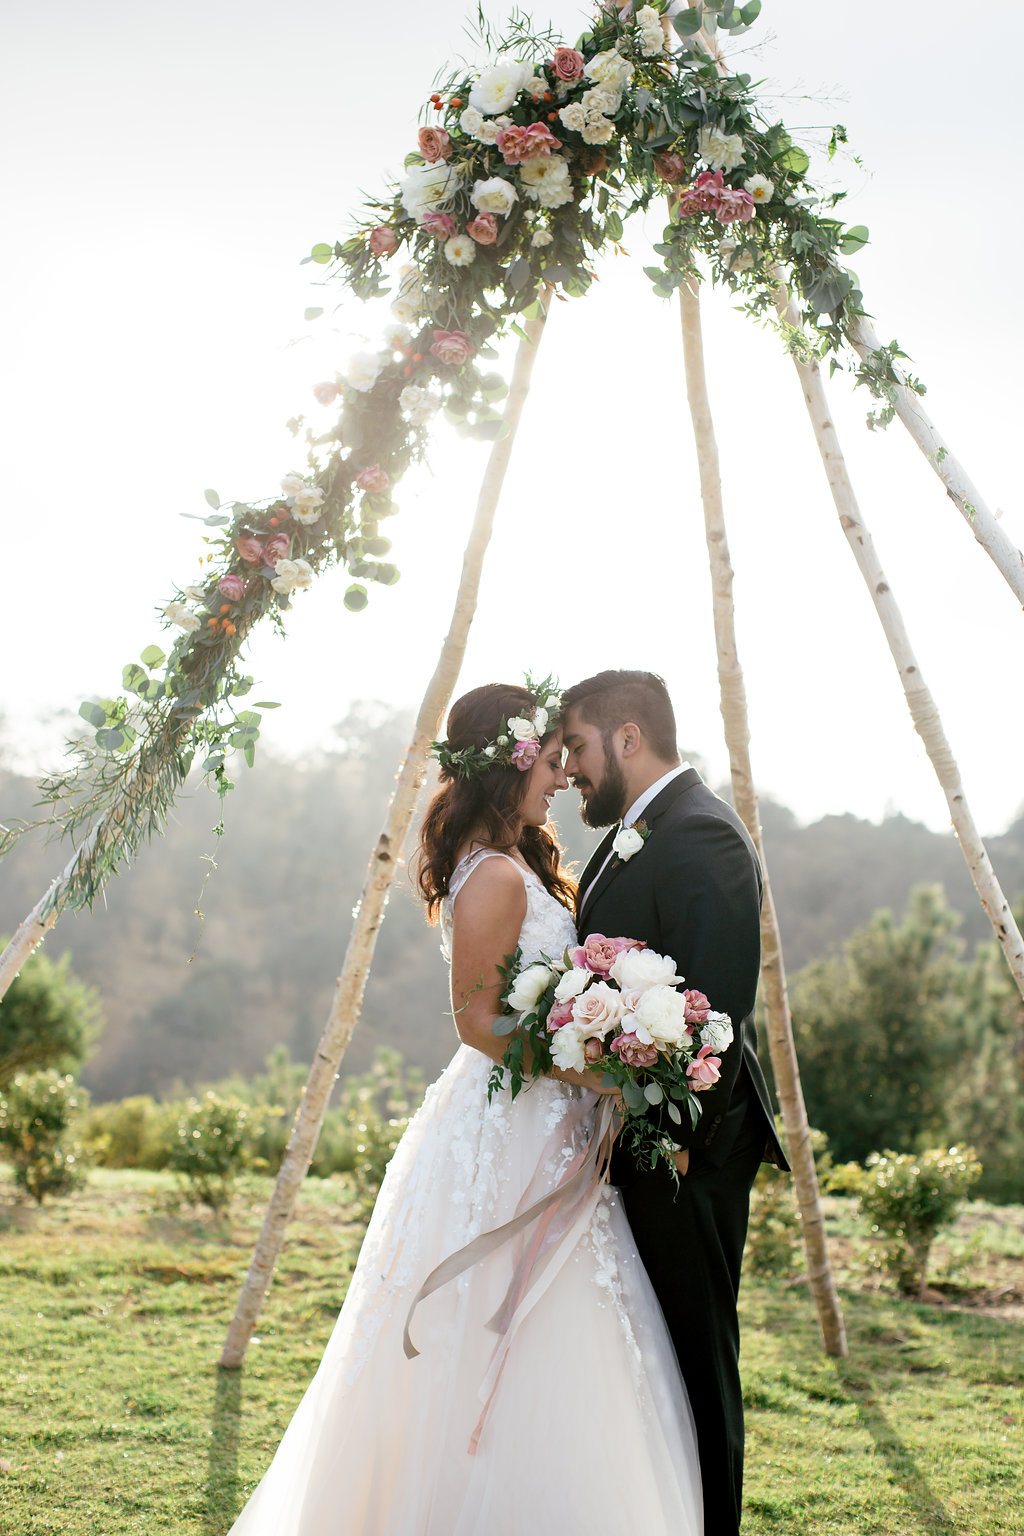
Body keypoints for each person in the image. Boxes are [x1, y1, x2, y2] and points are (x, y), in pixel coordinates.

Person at [225, 680, 703, 1536]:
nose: (561, 779)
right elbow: (479, 1023)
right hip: (506, 1127)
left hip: (544, 1118)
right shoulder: (494, 879)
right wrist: (591, 1070)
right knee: (490, 1322)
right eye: (551, 763)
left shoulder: (520, 864)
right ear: (508, 766)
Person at [561, 668, 788, 1536]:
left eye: (578, 747)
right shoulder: (639, 829)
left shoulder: (702, 836)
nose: (572, 768)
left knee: (696, 1358)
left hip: (687, 1151)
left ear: (627, 737)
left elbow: (717, 1011)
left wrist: (673, 1139)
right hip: (637, 1142)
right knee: (650, 1359)